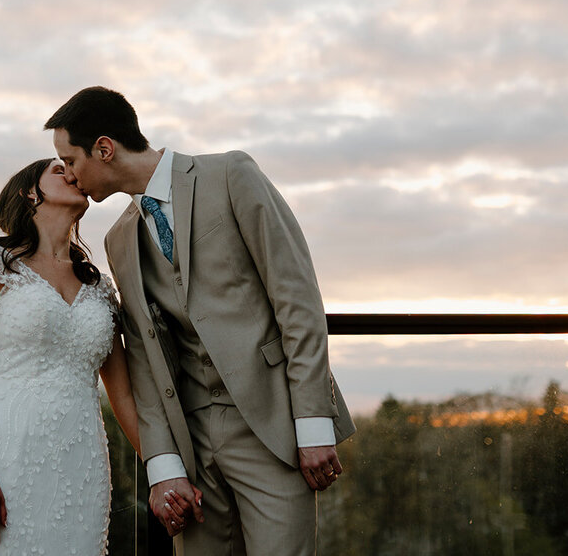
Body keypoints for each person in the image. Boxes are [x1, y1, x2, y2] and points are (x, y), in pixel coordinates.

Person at [46, 87, 355, 556]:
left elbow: (298, 301)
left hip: (273, 428)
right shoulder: (119, 238)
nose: (68, 173)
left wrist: (313, 422)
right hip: (191, 451)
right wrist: (164, 465)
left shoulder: (231, 174)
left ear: (104, 148)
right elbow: (145, 360)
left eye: (70, 159)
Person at [0, 157, 166, 555]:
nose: (73, 174)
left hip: (82, 462)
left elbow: (124, 396)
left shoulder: (98, 286)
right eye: (59, 171)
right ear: (31, 192)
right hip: (4, 454)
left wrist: (165, 472)